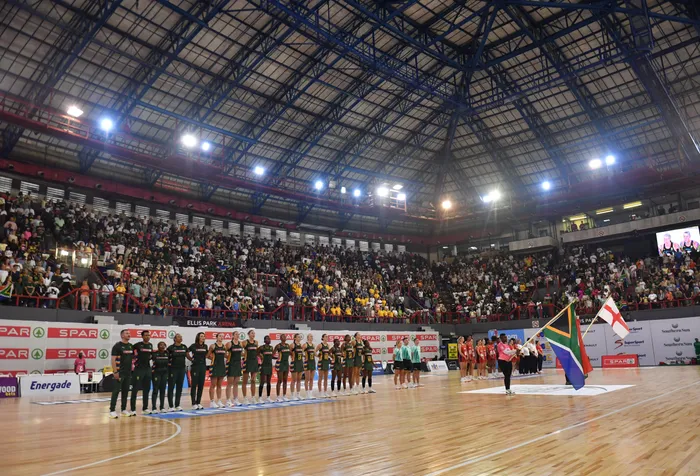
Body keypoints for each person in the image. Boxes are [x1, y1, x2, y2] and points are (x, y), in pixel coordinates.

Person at [109, 329, 134, 418]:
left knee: (125, 391)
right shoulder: (117, 346)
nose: (129, 334)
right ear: (122, 335)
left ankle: (123, 409)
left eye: (129, 333)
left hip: (128, 373)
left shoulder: (131, 346)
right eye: (127, 333)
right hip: (119, 372)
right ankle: (112, 410)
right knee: (116, 391)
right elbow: (113, 360)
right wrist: (115, 371)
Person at [131, 330, 153, 414]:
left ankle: (145, 408)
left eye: (148, 335)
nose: (147, 336)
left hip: (147, 369)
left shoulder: (150, 345)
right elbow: (131, 353)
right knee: (135, 389)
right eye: (146, 335)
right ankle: (133, 409)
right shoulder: (137, 345)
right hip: (139, 369)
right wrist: (134, 360)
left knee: (146, 389)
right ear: (142, 336)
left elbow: (150, 356)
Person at [167, 333, 188, 411]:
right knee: (171, 387)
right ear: (175, 339)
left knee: (179, 387)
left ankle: (177, 405)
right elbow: (166, 358)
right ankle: (170, 406)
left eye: (181, 337)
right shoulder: (170, 348)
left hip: (182, 369)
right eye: (179, 337)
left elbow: (187, 356)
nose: (180, 338)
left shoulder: (184, 347)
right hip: (173, 369)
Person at [189, 332, 208, 410]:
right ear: (198, 337)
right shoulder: (193, 346)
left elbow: (207, 355)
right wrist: (191, 359)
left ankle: (198, 402)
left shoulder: (205, 346)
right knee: (194, 385)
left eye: (204, 336)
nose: (203, 337)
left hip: (203, 366)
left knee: (201, 385)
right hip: (195, 367)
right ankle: (193, 403)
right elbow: (187, 352)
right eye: (201, 336)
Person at [207, 333, 227, 408]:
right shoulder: (213, 346)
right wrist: (212, 359)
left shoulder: (224, 346)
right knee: (213, 385)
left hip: (221, 366)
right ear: (216, 337)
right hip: (214, 366)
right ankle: (212, 401)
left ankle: (219, 401)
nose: (221, 337)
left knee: (219, 385)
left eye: (222, 336)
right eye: (220, 336)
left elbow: (225, 355)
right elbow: (207, 355)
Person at [225, 332, 243, 407]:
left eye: (238, 334)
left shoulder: (240, 343)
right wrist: (228, 357)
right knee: (230, 383)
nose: (237, 335)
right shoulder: (229, 344)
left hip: (238, 364)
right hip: (231, 364)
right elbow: (223, 351)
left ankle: (235, 399)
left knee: (236, 383)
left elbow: (241, 353)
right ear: (232, 336)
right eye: (236, 334)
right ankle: (228, 400)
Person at [151, 341, 169, 414]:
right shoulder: (154, 354)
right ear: (158, 346)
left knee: (163, 390)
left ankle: (162, 407)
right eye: (161, 345)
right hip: (156, 373)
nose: (162, 346)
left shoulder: (167, 353)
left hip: (164, 373)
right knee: (155, 390)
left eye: (163, 345)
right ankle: (154, 408)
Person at [242, 330, 259, 404]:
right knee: (245, 381)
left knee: (253, 380)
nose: (253, 334)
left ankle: (253, 397)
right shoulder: (245, 342)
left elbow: (257, 352)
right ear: (248, 334)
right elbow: (239, 350)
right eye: (252, 333)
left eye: (254, 333)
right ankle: (245, 398)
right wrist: (243, 355)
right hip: (247, 362)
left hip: (254, 362)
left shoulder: (256, 342)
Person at [274, 334, 290, 402]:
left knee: (285, 380)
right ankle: (278, 396)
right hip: (280, 364)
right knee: (280, 380)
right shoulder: (278, 346)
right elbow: (273, 354)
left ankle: (284, 395)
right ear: (280, 338)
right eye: (283, 336)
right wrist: (277, 358)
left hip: (286, 363)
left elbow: (290, 353)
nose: (285, 337)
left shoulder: (287, 345)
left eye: (285, 336)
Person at [258, 335, 274, 403]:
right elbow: (256, 353)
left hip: (270, 366)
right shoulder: (262, 347)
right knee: (262, 381)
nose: (269, 340)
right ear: (265, 340)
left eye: (270, 339)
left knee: (268, 382)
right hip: (264, 366)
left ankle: (268, 397)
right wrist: (260, 357)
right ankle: (260, 397)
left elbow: (272, 356)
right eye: (268, 339)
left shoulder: (271, 347)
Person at [290, 333, 304, 400]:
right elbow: (289, 352)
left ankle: (298, 394)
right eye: (298, 337)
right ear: (295, 338)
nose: (299, 338)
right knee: (294, 380)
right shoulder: (292, 345)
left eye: (300, 337)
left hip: (300, 363)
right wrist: (292, 357)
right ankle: (292, 395)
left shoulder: (301, 345)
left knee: (299, 379)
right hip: (294, 363)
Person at [303, 334, 316, 399]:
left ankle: (310, 393)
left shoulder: (313, 345)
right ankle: (307, 393)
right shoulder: (305, 345)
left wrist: (319, 355)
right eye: (310, 336)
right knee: (307, 378)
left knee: (311, 378)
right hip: (307, 362)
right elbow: (300, 352)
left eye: (312, 336)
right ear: (308, 338)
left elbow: (315, 353)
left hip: (313, 362)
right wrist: (304, 357)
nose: (311, 337)